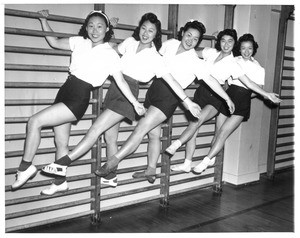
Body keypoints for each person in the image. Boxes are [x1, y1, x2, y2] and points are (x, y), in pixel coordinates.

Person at [11, 9, 145, 192]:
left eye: (100, 27)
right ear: (86, 28)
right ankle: (60, 182)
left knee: (35, 121)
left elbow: (121, 81)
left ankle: (25, 167)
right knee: (61, 142)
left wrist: (135, 102)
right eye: (91, 26)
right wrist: (43, 20)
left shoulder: (110, 53)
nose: (94, 30)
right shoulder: (79, 42)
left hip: (78, 98)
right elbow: (54, 42)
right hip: (64, 91)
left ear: (107, 29)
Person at [94, 21, 235, 183]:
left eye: (195, 39)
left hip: (170, 98)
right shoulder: (170, 44)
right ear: (182, 33)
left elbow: (210, 80)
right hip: (154, 90)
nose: (190, 40)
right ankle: (151, 170)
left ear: (198, 42)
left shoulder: (196, 61)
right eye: (188, 35)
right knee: (154, 134)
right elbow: (149, 53)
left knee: (140, 129)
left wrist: (226, 97)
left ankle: (112, 162)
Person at [40, 12, 166, 193]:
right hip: (115, 89)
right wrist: (110, 29)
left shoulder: (155, 57)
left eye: (151, 31)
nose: (146, 33)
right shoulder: (130, 42)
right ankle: (111, 176)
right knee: (110, 137)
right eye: (144, 29)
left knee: (95, 129)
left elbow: (167, 78)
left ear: (156, 34)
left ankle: (62, 163)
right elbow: (110, 50)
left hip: (127, 92)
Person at [166, 30, 282, 174]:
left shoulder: (242, 64)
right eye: (223, 41)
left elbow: (251, 84)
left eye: (249, 48)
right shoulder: (220, 55)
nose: (246, 51)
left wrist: (266, 95)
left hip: (228, 97)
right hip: (213, 93)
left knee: (214, 129)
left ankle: (198, 155)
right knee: (198, 127)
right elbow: (192, 51)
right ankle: (188, 162)